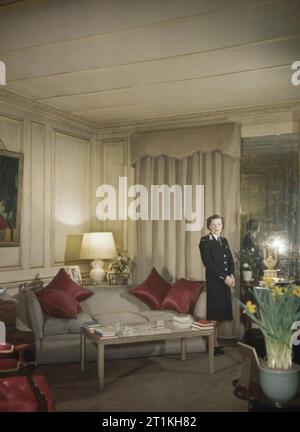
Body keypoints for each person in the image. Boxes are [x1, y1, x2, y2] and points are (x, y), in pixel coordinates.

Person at [199, 215, 235, 356]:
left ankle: (216, 343)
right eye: (213, 224)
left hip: (225, 281)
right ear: (209, 226)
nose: (216, 227)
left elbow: (230, 260)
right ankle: (211, 345)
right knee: (214, 315)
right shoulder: (205, 241)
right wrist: (224, 277)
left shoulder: (224, 240)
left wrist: (231, 275)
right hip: (215, 281)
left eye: (219, 224)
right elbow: (209, 264)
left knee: (220, 315)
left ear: (222, 225)